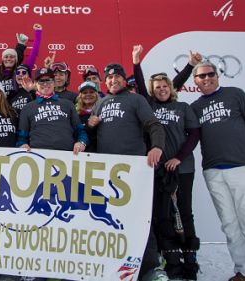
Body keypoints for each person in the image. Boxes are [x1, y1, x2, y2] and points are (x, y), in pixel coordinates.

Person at [87, 63, 167, 281]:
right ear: (105, 81)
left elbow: (154, 125)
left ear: (124, 79)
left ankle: (151, 268)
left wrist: (157, 146)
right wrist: (89, 127)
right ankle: (112, 267)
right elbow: (90, 140)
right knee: (109, 220)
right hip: (107, 173)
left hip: (134, 171)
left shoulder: (136, 99)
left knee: (140, 220)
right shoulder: (100, 103)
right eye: (109, 78)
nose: (113, 80)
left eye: (117, 77)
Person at [132, 45, 202, 280]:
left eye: (165, 86)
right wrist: (136, 63)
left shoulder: (182, 107)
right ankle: (172, 260)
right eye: (157, 88)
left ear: (171, 88)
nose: (161, 90)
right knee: (162, 215)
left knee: (185, 212)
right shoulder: (149, 105)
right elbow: (141, 86)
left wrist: (178, 158)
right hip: (158, 170)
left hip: (182, 168)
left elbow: (193, 135)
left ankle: (190, 261)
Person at [190, 61, 245, 281]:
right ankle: (243, 271)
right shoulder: (195, 107)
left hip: (242, 165)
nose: (206, 79)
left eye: (210, 74)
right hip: (213, 171)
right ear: (195, 81)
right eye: (201, 76)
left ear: (218, 75)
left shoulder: (235, 94)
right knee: (229, 224)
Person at [17, 68, 88, 154]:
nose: (45, 84)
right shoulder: (27, 108)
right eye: (41, 81)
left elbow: (80, 130)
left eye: (49, 80)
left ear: (54, 83)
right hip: (38, 155)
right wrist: (22, 144)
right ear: (35, 84)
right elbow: (21, 137)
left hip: (67, 155)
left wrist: (81, 142)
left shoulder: (68, 104)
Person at [75, 81, 100, 152]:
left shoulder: (102, 112)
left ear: (96, 95)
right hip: (79, 154)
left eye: (91, 92)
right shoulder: (76, 114)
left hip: (100, 153)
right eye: (85, 93)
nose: (88, 95)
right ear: (80, 96)